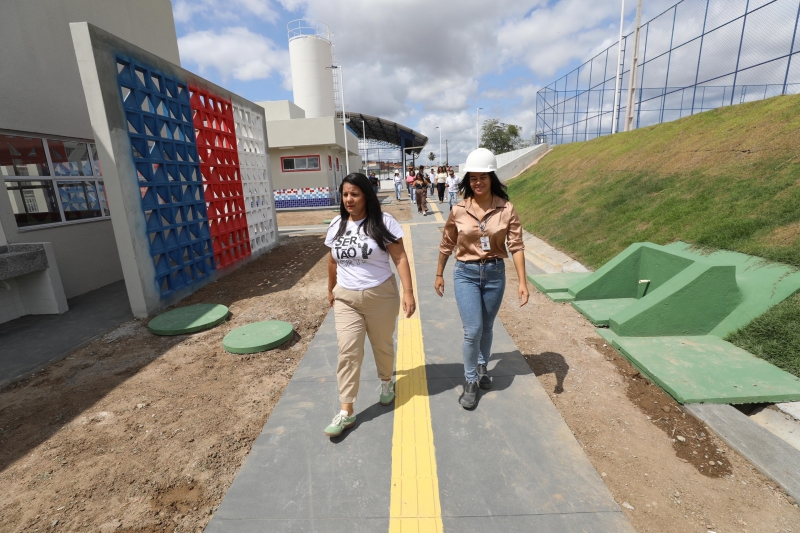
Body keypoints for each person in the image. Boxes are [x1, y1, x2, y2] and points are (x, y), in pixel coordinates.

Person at [435, 148, 529, 410]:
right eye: (473, 178)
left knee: (487, 327)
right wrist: (439, 273)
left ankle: (481, 364)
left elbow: (517, 246)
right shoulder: (459, 210)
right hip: (465, 274)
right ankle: (470, 380)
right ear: (468, 180)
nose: (477, 182)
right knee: (472, 330)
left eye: (483, 177)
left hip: (495, 274)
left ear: (491, 177)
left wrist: (523, 282)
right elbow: (446, 244)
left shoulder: (506, 208)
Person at [323, 173, 416, 437]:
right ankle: (346, 411)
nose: (349, 200)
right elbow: (332, 261)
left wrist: (408, 292)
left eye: (354, 194)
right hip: (346, 298)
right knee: (348, 350)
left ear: (366, 195)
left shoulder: (383, 222)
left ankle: (386, 383)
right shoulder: (336, 224)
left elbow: (400, 258)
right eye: (345, 194)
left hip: (381, 296)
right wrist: (330, 290)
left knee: (382, 344)